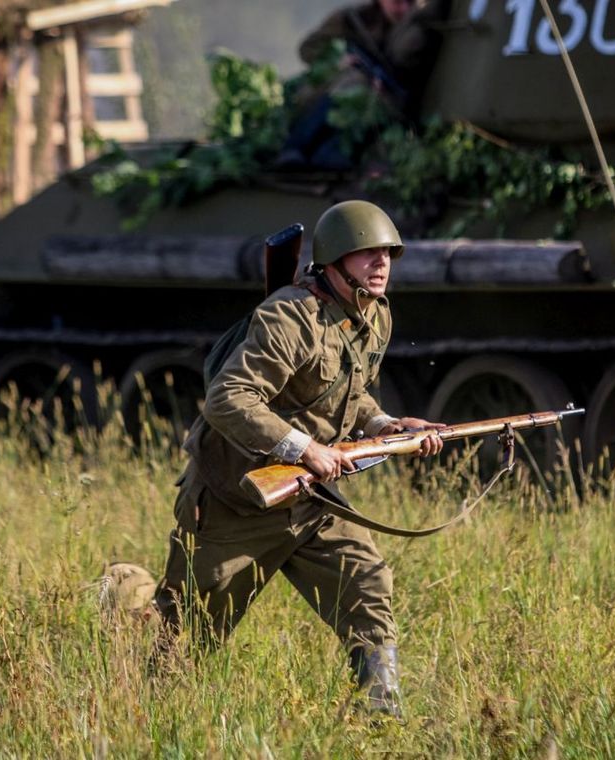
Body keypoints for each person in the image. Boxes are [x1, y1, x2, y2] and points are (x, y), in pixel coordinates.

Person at [154, 200, 444, 717]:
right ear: (332, 261)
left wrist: (385, 427)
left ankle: (381, 715)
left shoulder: (374, 318)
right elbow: (228, 398)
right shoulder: (289, 316)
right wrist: (305, 448)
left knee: (367, 580)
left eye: (387, 253)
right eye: (366, 254)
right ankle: (138, 674)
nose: (381, 264)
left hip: (309, 499)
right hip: (234, 501)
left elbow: (344, 392)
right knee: (184, 640)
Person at [276, 0, 434, 170]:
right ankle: (296, 146)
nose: (403, 8)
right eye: (396, 2)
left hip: (376, 101)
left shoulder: (416, 25)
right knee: (354, 80)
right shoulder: (352, 19)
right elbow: (307, 49)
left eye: (410, 3)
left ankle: (328, 152)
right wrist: (336, 60)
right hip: (331, 89)